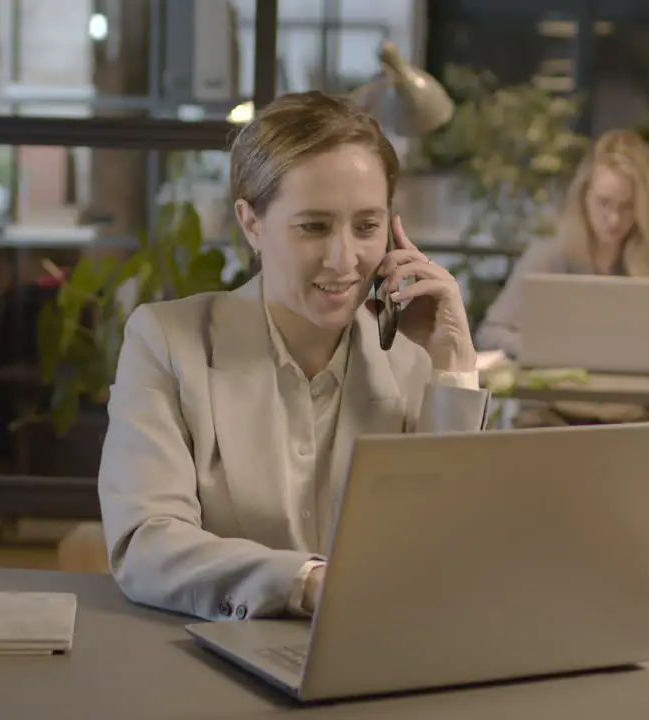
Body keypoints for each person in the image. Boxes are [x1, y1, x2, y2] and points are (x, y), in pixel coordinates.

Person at [97, 91, 490, 622]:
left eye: (368, 226)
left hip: (377, 662)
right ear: (251, 223)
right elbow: (145, 542)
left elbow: (451, 553)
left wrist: (455, 368)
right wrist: (306, 583)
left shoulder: (414, 359)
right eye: (314, 226)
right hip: (211, 667)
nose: (344, 259)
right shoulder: (167, 342)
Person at [475, 129, 649, 426]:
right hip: (554, 412)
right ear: (583, 197)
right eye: (604, 203)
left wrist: (644, 351)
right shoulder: (550, 255)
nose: (614, 219)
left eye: (627, 207)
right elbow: (491, 331)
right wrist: (549, 349)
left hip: (638, 414)